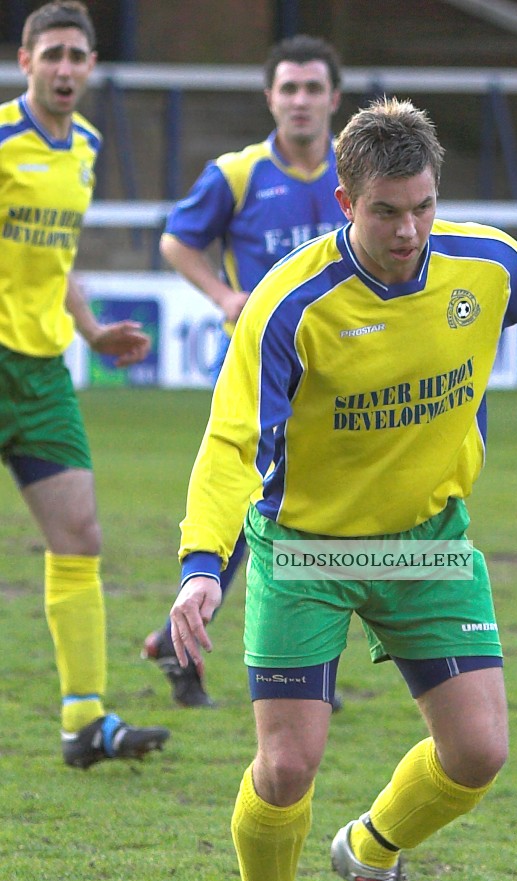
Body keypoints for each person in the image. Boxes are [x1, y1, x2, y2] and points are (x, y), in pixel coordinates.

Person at [169, 98, 517, 881]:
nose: (408, 229)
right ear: (346, 200)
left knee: (478, 754)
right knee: (288, 763)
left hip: (426, 544)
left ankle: (371, 851)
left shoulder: (486, 265)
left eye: (421, 206)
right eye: (386, 211)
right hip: (306, 550)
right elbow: (230, 446)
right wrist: (200, 568)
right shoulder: (291, 303)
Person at [142, 34, 345, 709]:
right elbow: (177, 240)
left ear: (333, 99)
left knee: (315, 513)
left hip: (338, 378)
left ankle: (289, 661)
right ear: (269, 97)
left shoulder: (357, 174)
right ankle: (262, 655)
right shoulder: (238, 174)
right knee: (258, 507)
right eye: (288, 88)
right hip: (262, 377)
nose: (300, 101)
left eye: (312, 88)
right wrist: (225, 297)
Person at [0, 2, 169, 769]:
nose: (65, 68)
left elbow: (57, 258)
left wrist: (93, 330)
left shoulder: (87, 147)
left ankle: (84, 721)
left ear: (92, 65)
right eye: (52, 54)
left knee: (79, 536)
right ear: (25, 58)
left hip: (39, 373)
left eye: (78, 56)